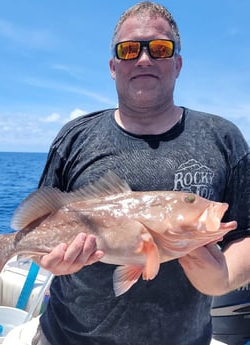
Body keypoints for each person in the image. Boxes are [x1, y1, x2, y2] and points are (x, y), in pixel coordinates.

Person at [31, 2, 250, 344]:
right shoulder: (74, 136)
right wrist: (49, 260)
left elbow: (246, 233)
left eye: (160, 49)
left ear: (177, 64)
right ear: (113, 65)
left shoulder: (223, 138)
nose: (144, 59)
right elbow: (42, 221)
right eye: (129, 49)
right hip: (65, 336)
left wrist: (223, 278)